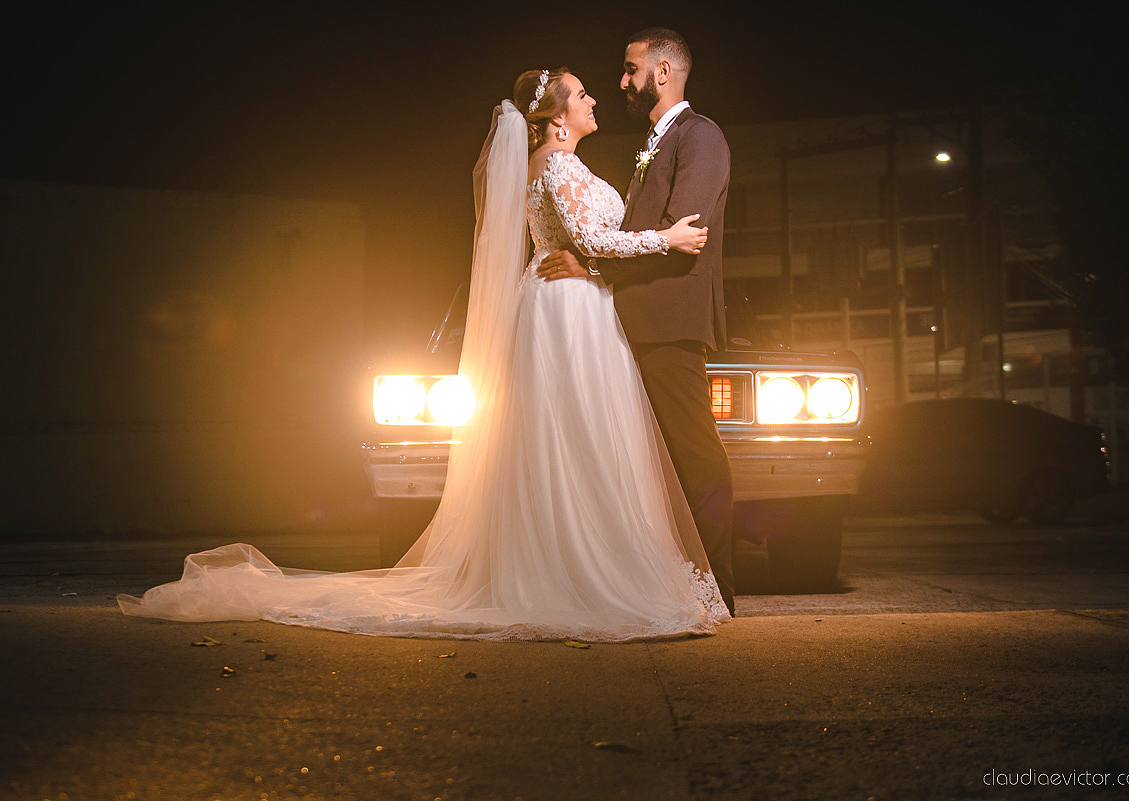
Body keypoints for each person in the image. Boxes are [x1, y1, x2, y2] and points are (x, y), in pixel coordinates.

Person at [116, 67, 730, 642]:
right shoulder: (561, 167)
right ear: (558, 118)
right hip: (569, 312)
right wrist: (666, 238)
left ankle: (572, 562)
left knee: (569, 442)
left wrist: (596, 257)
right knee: (584, 440)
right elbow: (596, 236)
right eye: (581, 93)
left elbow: (586, 243)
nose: (596, 97)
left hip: (569, 302)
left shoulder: (551, 162)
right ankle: (588, 572)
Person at [538, 28, 735, 614]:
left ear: (665, 71)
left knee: (695, 457)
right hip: (634, 322)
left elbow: (685, 234)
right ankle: (664, 585)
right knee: (651, 466)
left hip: (669, 321)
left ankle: (717, 590)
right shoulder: (653, 141)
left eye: (630, 69)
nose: (621, 82)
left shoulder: (701, 137)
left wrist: (592, 262)